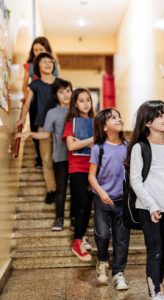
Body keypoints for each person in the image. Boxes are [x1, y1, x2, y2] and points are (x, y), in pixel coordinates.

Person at [126, 100, 164, 300]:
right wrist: (151, 206)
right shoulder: (139, 147)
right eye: (160, 115)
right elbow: (135, 180)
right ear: (148, 122)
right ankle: (155, 292)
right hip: (147, 207)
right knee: (155, 249)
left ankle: (159, 287)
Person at [15, 79, 72, 231]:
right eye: (61, 92)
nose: (65, 95)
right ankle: (59, 219)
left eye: (68, 91)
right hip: (61, 157)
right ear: (55, 95)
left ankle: (74, 220)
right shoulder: (52, 113)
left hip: (79, 158)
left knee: (79, 191)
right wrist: (29, 134)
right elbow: (46, 134)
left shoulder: (78, 109)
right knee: (60, 190)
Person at [88, 108, 130, 290]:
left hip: (123, 202)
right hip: (102, 200)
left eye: (119, 116)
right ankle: (103, 261)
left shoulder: (128, 147)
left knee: (122, 239)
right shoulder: (99, 148)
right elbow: (91, 176)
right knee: (102, 234)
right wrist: (101, 193)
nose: (119, 119)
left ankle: (119, 273)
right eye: (113, 118)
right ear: (104, 127)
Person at [17, 52, 59, 204]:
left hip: (60, 127)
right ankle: (51, 190)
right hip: (43, 127)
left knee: (61, 160)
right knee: (46, 160)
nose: (48, 64)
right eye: (44, 62)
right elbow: (27, 103)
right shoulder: (34, 85)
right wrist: (21, 119)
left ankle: (63, 186)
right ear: (38, 66)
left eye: (50, 61)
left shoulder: (61, 83)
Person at [62, 88, 95, 261]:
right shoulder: (70, 122)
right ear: (75, 103)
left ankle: (81, 236)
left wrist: (85, 142)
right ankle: (77, 242)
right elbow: (71, 146)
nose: (85, 103)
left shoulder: (95, 122)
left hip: (93, 168)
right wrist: (91, 140)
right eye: (81, 100)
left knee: (88, 205)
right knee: (81, 203)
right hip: (77, 169)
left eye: (88, 100)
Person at [22, 36, 59, 168]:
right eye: (35, 50)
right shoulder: (29, 66)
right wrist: (28, 98)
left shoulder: (54, 65)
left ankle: (53, 157)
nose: (37, 52)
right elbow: (24, 86)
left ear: (47, 49)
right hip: (34, 103)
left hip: (50, 103)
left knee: (51, 131)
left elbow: (57, 84)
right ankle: (39, 156)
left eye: (41, 49)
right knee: (35, 128)